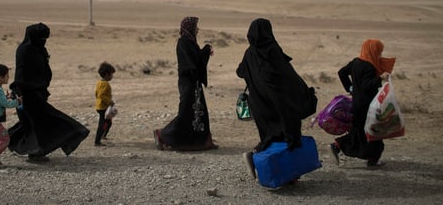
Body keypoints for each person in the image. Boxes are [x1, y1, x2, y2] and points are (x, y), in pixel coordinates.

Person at [236, 18, 317, 178]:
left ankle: (256, 158)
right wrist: (304, 92)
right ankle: (287, 174)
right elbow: (288, 75)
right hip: (279, 103)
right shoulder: (272, 50)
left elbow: (240, 71)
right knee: (287, 135)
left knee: (269, 136)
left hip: (260, 105)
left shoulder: (250, 52)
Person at [8, 22, 90, 162]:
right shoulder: (24, 51)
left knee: (37, 122)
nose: (44, 41)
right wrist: (19, 94)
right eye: (42, 38)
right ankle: (33, 152)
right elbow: (21, 76)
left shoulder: (38, 49)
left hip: (38, 93)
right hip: (26, 95)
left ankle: (13, 142)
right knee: (42, 121)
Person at [327, 39, 395, 167]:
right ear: (373, 51)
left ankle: (369, 158)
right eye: (378, 52)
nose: (379, 55)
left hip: (357, 103)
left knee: (362, 131)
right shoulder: (369, 66)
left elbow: (341, 72)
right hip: (367, 105)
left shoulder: (356, 62)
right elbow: (366, 86)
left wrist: (350, 88)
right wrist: (379, 79)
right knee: (373, 132)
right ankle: (338, 146)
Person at [153, 16, 217, 151]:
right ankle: (162, 134)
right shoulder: (183, 43)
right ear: (189, 28)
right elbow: (190, 63)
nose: (197, 29)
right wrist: (202, 54)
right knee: (186, 113)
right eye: (195, 27)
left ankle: (202, 141)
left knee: (200, 112)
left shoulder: (191, 42)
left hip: (194, 83)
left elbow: (196, 59)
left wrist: (205, 51)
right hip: (188, 83)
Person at [94, 62, 116, 146]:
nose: (112, 77)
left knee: (108, 122)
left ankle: (103, 136)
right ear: (107, 74)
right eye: (111, 74)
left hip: (101, 105)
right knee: (102, 124)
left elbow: (96, 93)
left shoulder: (99, 82)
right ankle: (97, 141)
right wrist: (109, 102)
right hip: (102, 107)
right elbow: (101, 95)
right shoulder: (105, 84)